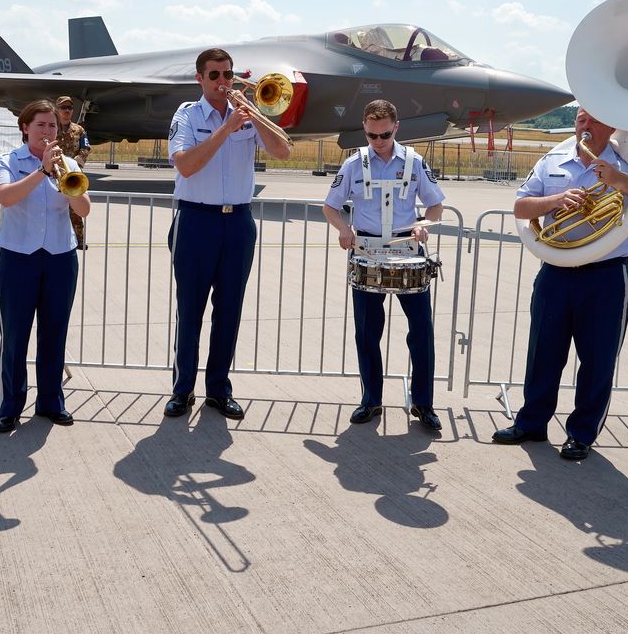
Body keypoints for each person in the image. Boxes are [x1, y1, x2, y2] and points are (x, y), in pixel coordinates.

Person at [493, 109, 628, 460]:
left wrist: (622, 182)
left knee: (597, 360)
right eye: (580, 119)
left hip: (605, 275)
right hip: (556, 272)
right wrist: (557, 201)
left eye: (593, 120)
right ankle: (531, 423)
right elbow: (521, 206)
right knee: (543, 354)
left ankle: (581, 434)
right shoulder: (553, 158)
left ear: (612, 126)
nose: (584, 127)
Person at [163, 48, 292, 419]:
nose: (223, 82)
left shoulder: (248, 117)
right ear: (200, 79)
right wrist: (226, 128)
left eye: (228, 75)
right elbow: (186, 165)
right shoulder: (187, 115)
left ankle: (218, 390)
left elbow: (283, 151)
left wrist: (256, 116)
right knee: (190, 311)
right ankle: (182, 390)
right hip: (195, 221)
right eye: (215, 75)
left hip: (237, 222)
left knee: (229, 310)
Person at [322, 99, 446, 430]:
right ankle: (371, 400)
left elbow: (436, 206)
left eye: (385, 135)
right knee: (367, 331)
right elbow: (330, 207)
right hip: (367, 251)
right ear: (364, 129)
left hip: (407, 251)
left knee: (422, 332)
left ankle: (423, 403)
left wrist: (424, 224)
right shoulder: (353, 164)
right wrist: (344, 228)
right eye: (372, 135)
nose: (378, 142)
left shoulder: (415, 162)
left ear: (396, 128)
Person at [0, 99, 91, 432]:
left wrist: (66, 173)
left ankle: (51, 402)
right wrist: (42, 172)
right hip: (18, 257)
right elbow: (5, 197)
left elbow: (84, 208)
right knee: (15, 336)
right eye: (41, 125)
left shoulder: (70, 162)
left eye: (52, 126)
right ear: (25, 128)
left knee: (54, 333)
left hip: (60, 256)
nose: (48, 131)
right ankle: (9, 407)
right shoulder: (10, 160)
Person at [54, 96, 92, 249]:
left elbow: (86, 147)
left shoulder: (79, 129)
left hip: (73, 174)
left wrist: (75, 164)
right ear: (57, 109)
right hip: (54, 173)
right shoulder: (52, 127)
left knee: (75, 209)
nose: (67, 111)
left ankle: (79, 239)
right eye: (64, 108)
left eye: (70, 108)